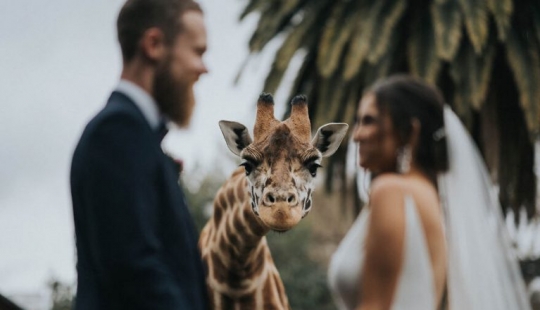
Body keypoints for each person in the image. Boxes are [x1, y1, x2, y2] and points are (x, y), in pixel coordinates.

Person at [328, 75, 530, 309]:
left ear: (410, 131)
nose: (357, 135)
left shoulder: (390, 191)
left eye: (369, 121)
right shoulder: (429, 199)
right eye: (358, 121)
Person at [70, 0, 208, 309]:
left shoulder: (137, 137)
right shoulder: (116, 132)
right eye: (197, 52)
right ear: (154, 45)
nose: (204, 68)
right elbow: (134, 271)